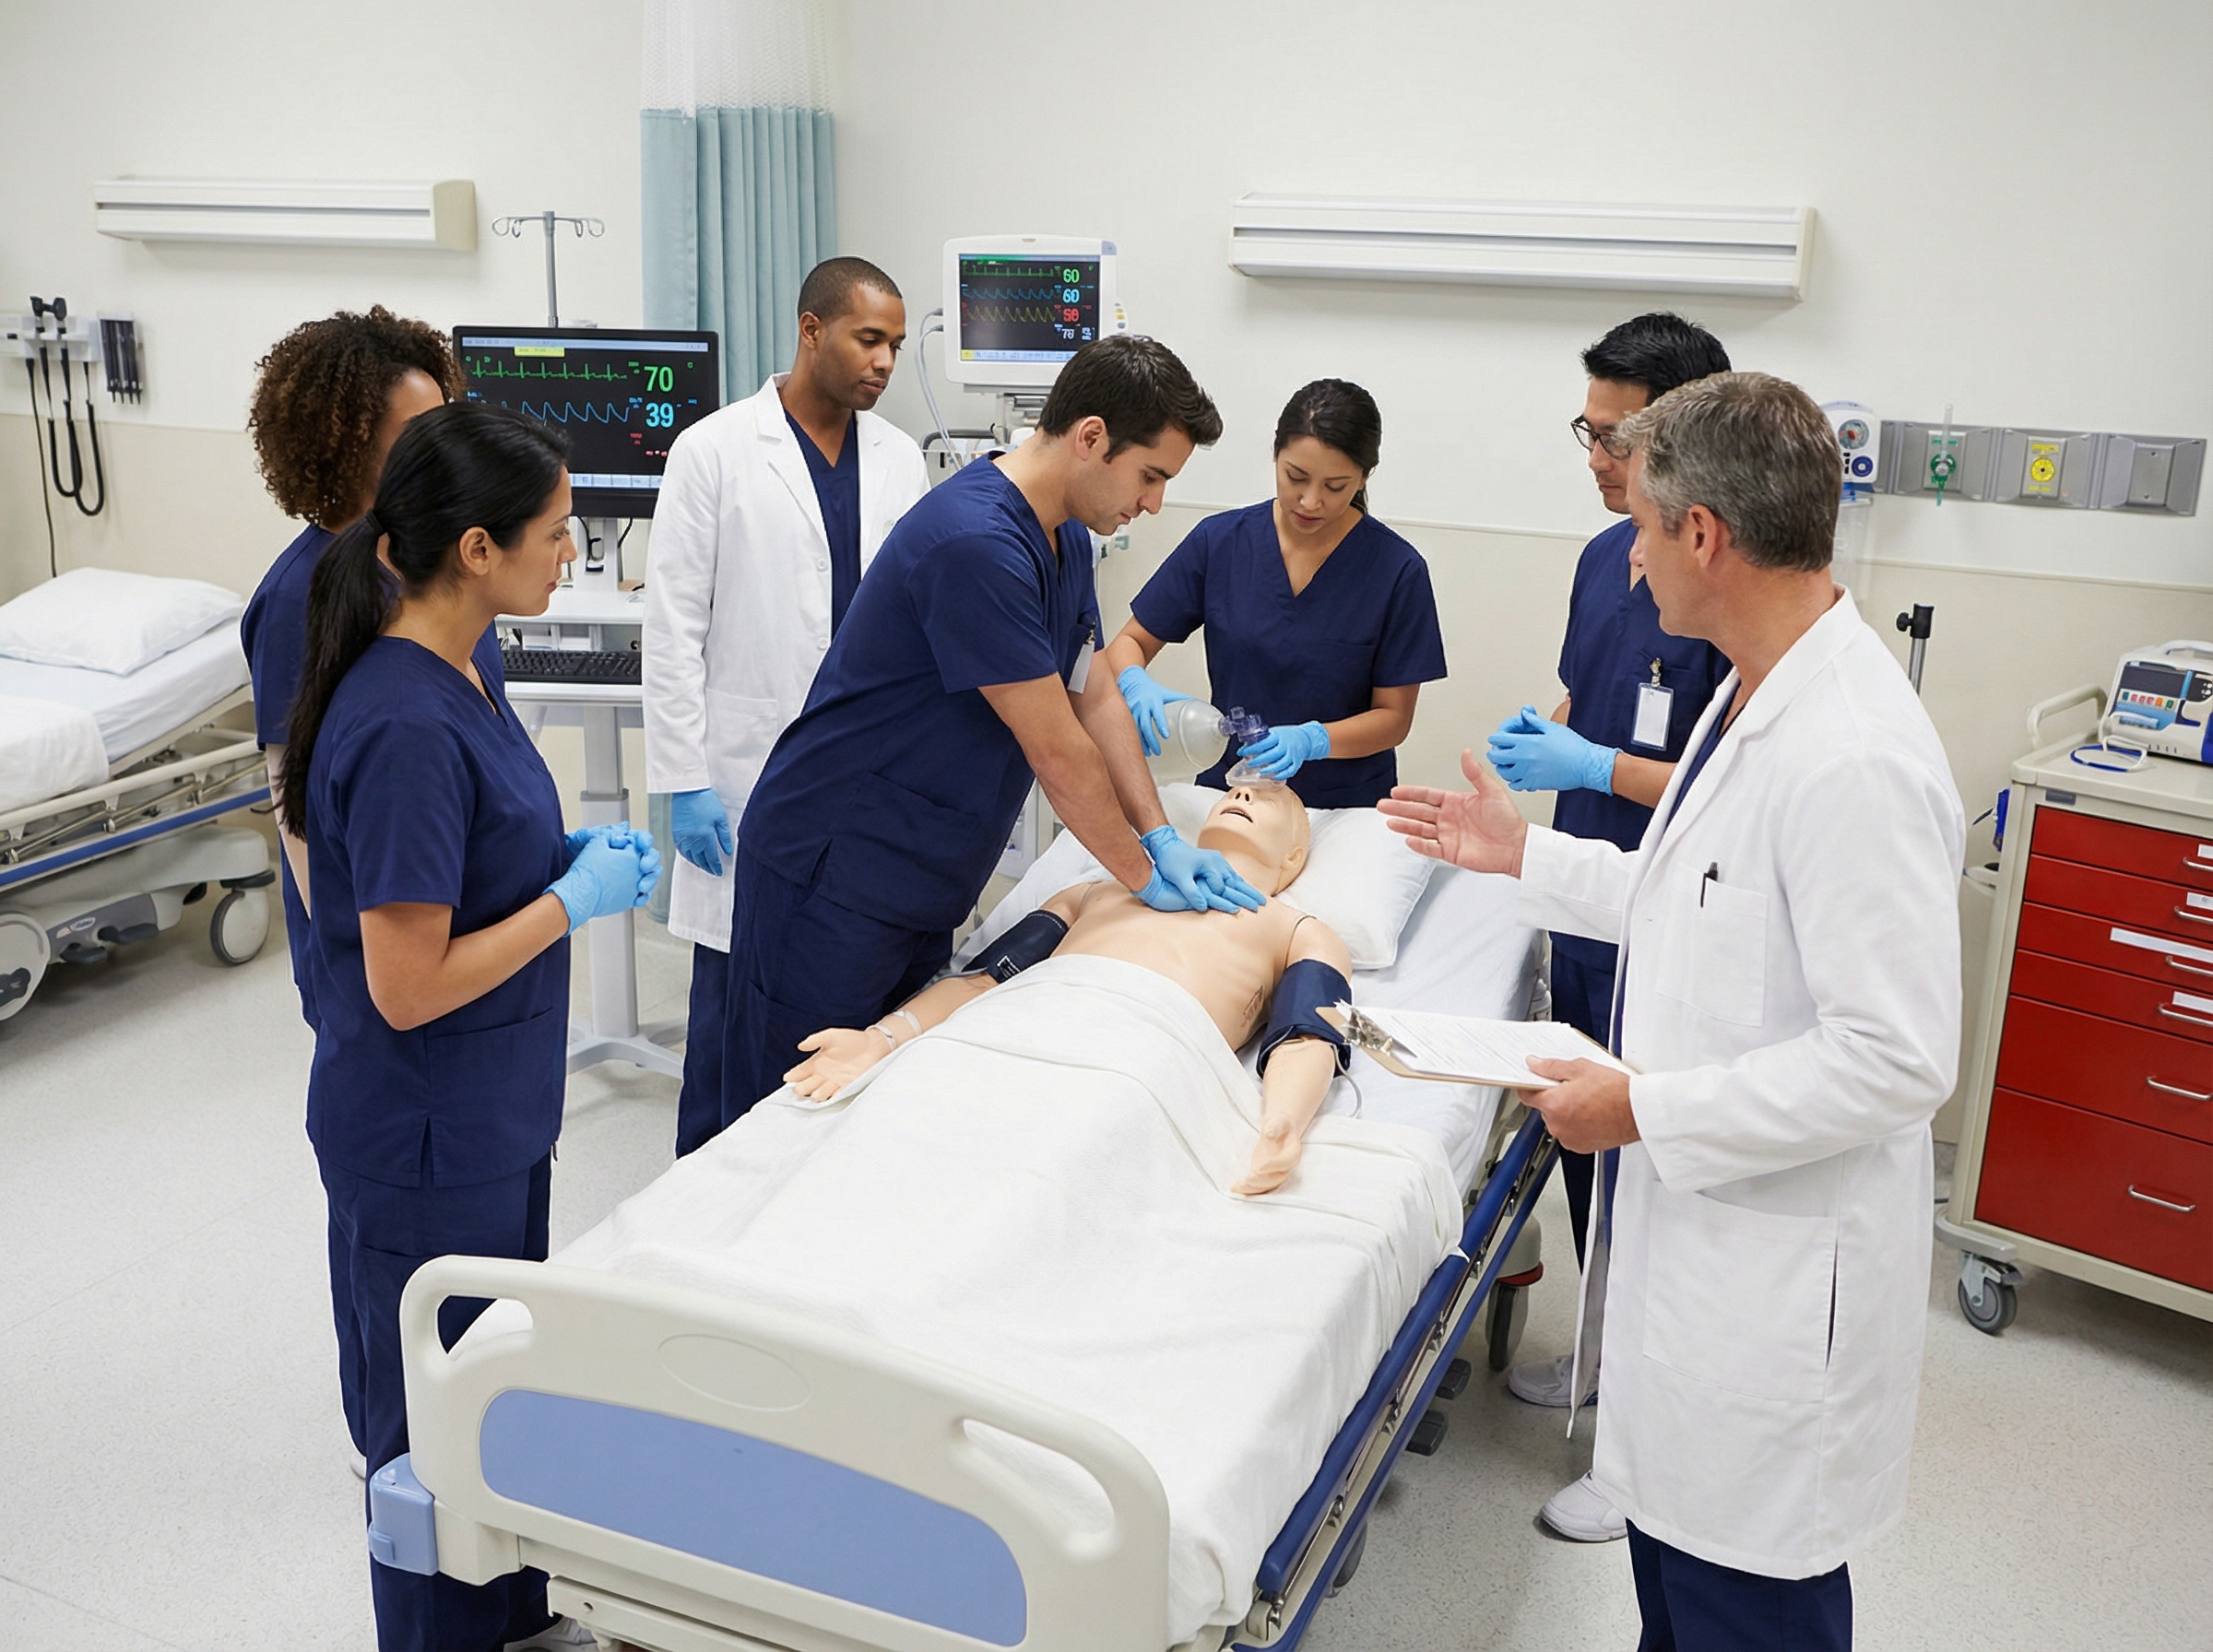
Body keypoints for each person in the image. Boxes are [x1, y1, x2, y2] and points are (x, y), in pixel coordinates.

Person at [1382, 372, 1963, 1651]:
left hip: (1770, 1307)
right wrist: (1518, 854)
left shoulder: (1853, 751)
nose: (1633, 566)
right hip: (1701, 1280)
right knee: (1677, 1605)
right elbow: (1691, 889)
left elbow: (1898, 1059)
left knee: (1745, 1613)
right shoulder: (1753, 688)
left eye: (1644, 528)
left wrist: (1642, 1107)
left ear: (1704, 534)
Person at [282, 401, 659, 1652]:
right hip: (423, 1137)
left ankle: (506, 1625)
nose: (575, 556)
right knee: (431, 1451)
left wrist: (557, 858)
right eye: (558, 536)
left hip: (485, 1122)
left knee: (490, 1404)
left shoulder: (462, 671)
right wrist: (572, 901)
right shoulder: (398, 722)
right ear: (480, 550)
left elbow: (469, 865)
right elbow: (407, 983)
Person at [719, 334, 1262, 1130]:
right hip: (833, 867)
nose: (1152, 504)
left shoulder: (1065, 537)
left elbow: (1096, 692)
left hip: (919, 870)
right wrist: (1140, 877)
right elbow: (1057, 747)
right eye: (1151, 477)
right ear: (1090, 438)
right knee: (784, 1103)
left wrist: (1161, 834)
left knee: (872, 1102)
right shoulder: (976, 543)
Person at [1483, 313, 1734, 1543]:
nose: (1595, 454)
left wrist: (1600, 761)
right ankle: (1595, 1359)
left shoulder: (1720, 585)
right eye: (1587, 428)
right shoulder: (1604, 556)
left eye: (1617, 433)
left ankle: (1640, 1465)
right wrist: (1553, 735)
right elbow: (1591, 689)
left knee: (1653, 1184)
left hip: (1672, 929)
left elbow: (1714, 788)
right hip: (1587, 905)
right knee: (1588, 1159)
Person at [645, 256, 929, 1157]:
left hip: (866, 770)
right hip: (745, 770)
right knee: (732, 1000)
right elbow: (673, 625)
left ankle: (815, 1180)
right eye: (868, 338)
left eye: (895, 344)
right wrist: (685, 780)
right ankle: (700, 1184)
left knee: (845, 987)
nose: (884, 361)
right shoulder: (715, 449)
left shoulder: (898, 458)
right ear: (811, 331)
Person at [784, 779, 1349, 1195]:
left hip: (1144, 1051)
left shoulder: (1300, 930)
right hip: (1020, 1022)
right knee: (893, 1149)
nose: (1242, 796)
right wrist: (882, 1039)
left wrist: (1283, 1121)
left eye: (1268, 798)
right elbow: (984, 982)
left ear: (1295, 857)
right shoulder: (1100, 890)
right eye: (1234, 792)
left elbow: (1307, 1037)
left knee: (1049, 1174)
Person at [242, 307, 483, 1033]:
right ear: (342, 448)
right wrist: (368, 952)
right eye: (416, 437)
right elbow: (295, 803)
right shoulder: (296, 599)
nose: (439, 451)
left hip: (450, 909)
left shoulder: (438, 559)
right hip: (377, 947)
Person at [1104, 379, 1447, 807]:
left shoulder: (1397, 570)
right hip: (1233, 796)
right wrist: (1136, 682)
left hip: (1343, 808)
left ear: (1363, 476)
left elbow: (1393, 719)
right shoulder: (1221, 543)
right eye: (1295, 477)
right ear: (1275, 456)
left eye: (1335, 486)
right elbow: (1129, 643)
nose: (1309, 501)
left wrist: (1312, 739)